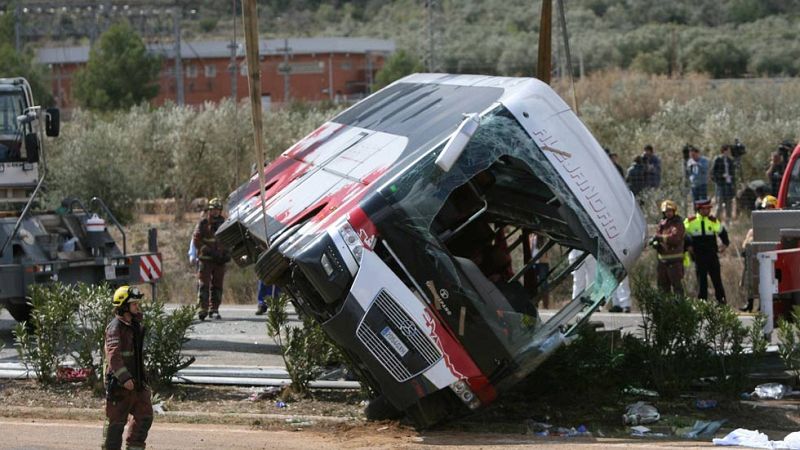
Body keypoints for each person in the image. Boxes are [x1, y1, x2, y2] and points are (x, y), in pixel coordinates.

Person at [103, 285, 153, 450]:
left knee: (144, 417)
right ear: (124, 306)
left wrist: (143, 379)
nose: (137, 307)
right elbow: (113, 356)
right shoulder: (115, 328)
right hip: (120, 386)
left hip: (137, 384)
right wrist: (124, 378)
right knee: (116, 425)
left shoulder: (135, 325)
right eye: (134, 304)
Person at [684, 199, 730, 304]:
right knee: (702, 281)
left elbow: (722, 232)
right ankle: (702, 303)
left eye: (709, 208)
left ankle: (722, 302)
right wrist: (688, 246)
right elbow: (683, 234)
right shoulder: (691, 221)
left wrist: (725, 244)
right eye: (705, 209)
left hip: (712, 255)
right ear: (699, 209)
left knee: (717, 280)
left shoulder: (713, 221)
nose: (708, 211)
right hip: (699, 256)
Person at [193, 197, 230, 320]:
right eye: (213, 209)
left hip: (219, 261)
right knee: (204, 284)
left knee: (217, 285)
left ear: (220, 211)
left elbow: (228, 241)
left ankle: (214, 309)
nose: (215, 212)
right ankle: (202, 309)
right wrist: (208, 251)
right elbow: (196, 240)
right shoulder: (203, 223)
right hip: (206, 260)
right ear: (209, 210)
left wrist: (226, 254)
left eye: (217, 210)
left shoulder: (225, 223)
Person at [652, 200, 685, 295]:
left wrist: (660, 238)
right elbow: (657, 235)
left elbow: (675, 238)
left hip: (675, 261)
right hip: (662, 261)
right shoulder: (662, 224)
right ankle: (665, 308)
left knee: (677, 287)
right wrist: (655, 243)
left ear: (674, 211)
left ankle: (679, 308)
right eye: (666, 211)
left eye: (670, 211)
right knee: (662, 288)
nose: (668, 213)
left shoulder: (678, 223)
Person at [711, 144, 736, 221]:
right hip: (721, 185)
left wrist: (732, 180)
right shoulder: (718, 159)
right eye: (728, 150)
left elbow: (733, 172)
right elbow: (713, 173)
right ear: (724, 150)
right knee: (720, 202)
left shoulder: (730, 160)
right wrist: (721, 176)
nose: (729, 152)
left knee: (729, 203)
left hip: (729, 184)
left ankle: (728, 220)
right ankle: (717, 220)